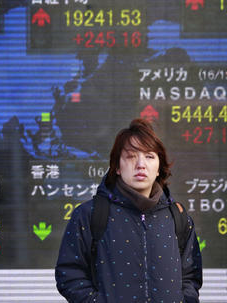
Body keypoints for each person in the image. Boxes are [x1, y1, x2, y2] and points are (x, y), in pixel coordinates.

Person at [55, 118, 202, 302]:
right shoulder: (89, 214)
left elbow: (190, 275)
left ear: (158, 168)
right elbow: (69, 274)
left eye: (149, 156)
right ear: (116, 166)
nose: (141, 164)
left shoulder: (178, 217)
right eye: (131, 156)